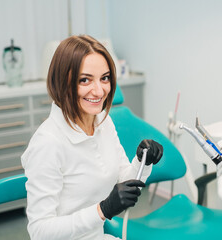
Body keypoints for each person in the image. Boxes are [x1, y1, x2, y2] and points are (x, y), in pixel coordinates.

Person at [21, 35, 163, 240]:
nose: (99, 91)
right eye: (85, 80)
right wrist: (102, 211)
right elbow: (40, 231)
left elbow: (126, 181)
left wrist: (143, 162)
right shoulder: (48, 142)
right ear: (62, 82)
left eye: (104, 78)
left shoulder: (102, 122)